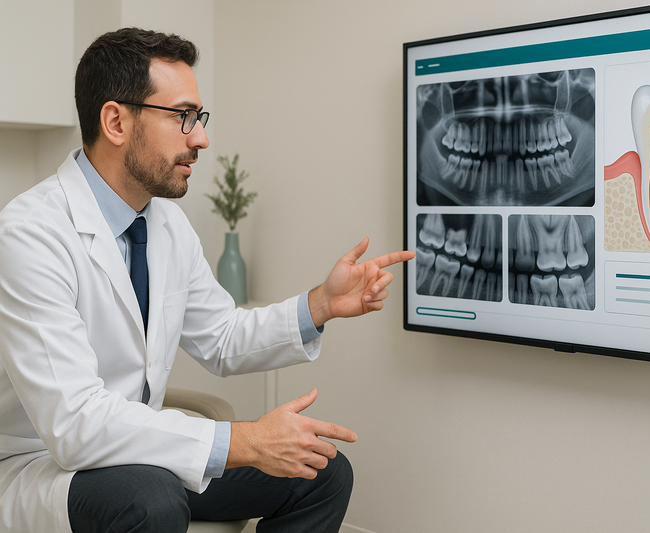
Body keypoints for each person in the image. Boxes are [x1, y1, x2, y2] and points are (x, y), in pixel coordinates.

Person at [0, 27, 413, 533]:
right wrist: (244, 441)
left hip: (143, 451)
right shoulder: (30, 234)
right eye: (183, 117)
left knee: (320, 473)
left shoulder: (167, 225)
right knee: (150, 501)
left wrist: (319, 305)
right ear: (115, 122)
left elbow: (221, 337)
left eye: (199, 117)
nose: (200, 138)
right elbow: (74, 423)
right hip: (45, 464)